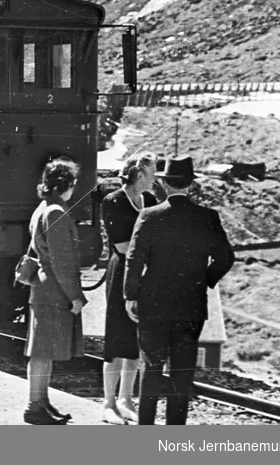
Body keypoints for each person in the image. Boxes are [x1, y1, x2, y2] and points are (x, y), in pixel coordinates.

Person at [124, 155, 235, 426]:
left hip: (153, 303)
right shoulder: (208, 217)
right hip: (190, 304)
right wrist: (203, 280)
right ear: (190, 185)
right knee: (181, 374)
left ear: (164, 185)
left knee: (150, 368)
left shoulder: (149, 215)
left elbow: (134, 259)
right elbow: (226, 258)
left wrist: (131, 295)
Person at [23, 157, 87, 425]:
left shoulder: (43, 209)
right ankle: (34, 406)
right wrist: (75, 295)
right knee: (42, 352)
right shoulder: (56, 213)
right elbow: (62, 261)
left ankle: (41, 402)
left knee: (43, 350)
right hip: (54, 290)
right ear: (67, 185)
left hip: (44, 287)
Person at [99, 153, 159, 424]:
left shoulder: (152, 201)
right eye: (152, 172)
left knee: (136, 339)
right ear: (139, 175)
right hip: (122, 272)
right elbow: (122, 247)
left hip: (143, 272)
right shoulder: (113, 202)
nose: (155, 177)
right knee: (116, 337)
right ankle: (108, 403)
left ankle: (126, 398)